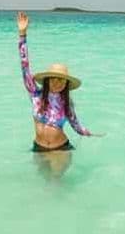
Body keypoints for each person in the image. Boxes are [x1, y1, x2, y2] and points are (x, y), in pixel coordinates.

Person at [16, 11, 101, 178]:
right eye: (53, 79)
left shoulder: (66, 104)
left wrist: (88, 133)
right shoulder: (35, 94)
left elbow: (76, 125)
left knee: (55, 185)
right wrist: (22, 35)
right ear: (47, 80)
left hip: (61, 149)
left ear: (66, 85)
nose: (57, 83)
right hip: (39, 147)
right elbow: (24, 66)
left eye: (62, 80)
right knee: (43, 184)